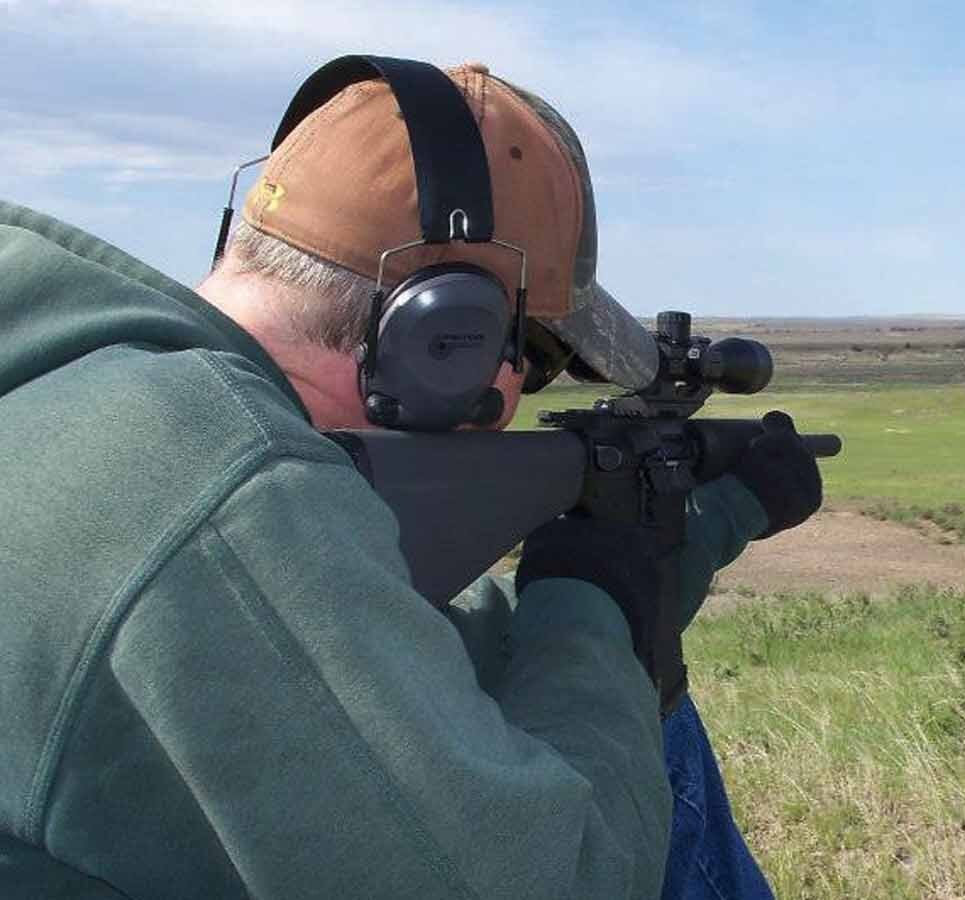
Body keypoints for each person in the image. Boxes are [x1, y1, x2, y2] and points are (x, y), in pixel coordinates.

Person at [0, 57, 816, 898]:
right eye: (531, 359)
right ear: (441, 340)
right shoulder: (228, 496)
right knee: (651, 737)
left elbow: (339, 670)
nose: (518, 392)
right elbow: (557, 879)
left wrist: (668, 543)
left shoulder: (69, 379)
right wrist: (590, 599)